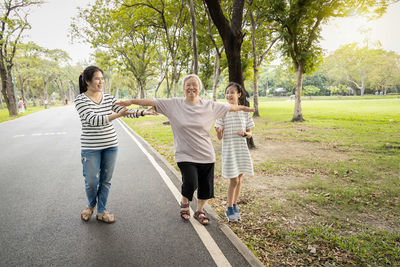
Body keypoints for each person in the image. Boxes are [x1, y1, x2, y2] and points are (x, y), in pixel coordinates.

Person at [116, 74, 255, 225]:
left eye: (194, 85)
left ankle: (200, 211)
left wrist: (245, 108)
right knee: (191, 182)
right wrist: (130, 101)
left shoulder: (210, 106)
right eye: (188, 85)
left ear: (199, 88)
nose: (191, 88)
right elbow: (150, 100)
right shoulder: (173, 104)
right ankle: (184, 201)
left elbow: (232, 107)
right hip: (184, 153)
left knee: (206, 187)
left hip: (206, 154)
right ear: (183, 88)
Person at [75, 65, 154, 223]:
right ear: (87, 81)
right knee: (91, 181)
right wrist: (117, 115)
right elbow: (93, 120)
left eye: (102, 79)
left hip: (110, 145)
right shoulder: (80, 100)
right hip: (90, 147)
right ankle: (91, 205)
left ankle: (102, 211)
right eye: (97, 78)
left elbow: (123, 111)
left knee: (106, 180)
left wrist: (142, 112)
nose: (101, 82)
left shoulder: (108, 98)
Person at [215, 82, 255, 222]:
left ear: (239, 94)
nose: (229, 95)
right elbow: (220, 138)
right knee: (234, 180)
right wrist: (219, 131)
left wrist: (245, 133)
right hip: (230, 149)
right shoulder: (222, 111)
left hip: (241, 149)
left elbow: (250, 134)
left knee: (240, 179)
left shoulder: (245, 112)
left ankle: (235, 204)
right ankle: (229, 208)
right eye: (227, 92)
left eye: (232, 92)